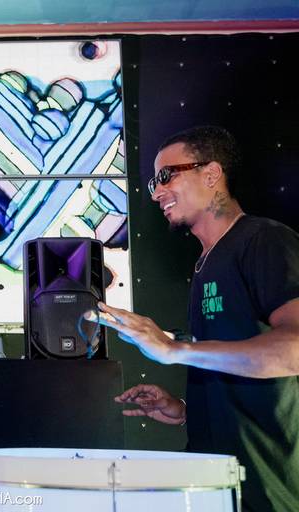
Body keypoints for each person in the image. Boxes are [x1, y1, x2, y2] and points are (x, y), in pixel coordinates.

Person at [87, 126, 299, 512]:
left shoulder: (264, 240)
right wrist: (185, 409)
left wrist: (174, 350)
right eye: (154, 182)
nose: (156, 192)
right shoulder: (206, 262)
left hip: (268, 487)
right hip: (213, 482)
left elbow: (294, 350)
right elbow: (232, 361)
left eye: (167, 176)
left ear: (211, 173)